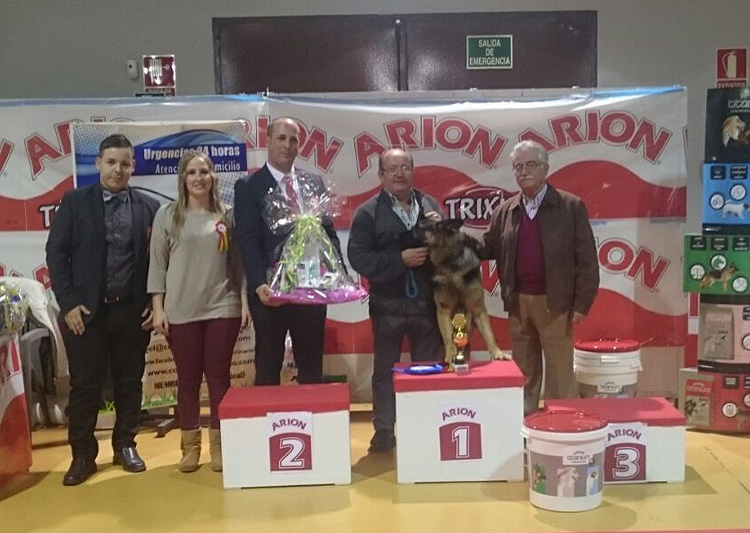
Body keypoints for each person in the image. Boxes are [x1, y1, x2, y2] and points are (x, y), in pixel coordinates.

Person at [46, 134, 160, 485]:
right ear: (98, 164)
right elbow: (56, 255)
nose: (118, 169)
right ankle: (82, 456)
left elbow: (158, 261)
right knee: (85, 386)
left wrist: (156, 303)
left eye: (125, 163)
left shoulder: (147, 207)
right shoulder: (76, 202)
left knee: (129, 383)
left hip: (131, 311)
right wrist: (68, 305)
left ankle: (125, 444)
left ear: (133, 166)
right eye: (111, 162)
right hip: (86, 314)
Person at [148, 152, 250, 473]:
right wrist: (158, 308)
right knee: (188, 381)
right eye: (191, 172)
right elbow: (157, 266)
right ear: (182, 178)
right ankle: (190, 447)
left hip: (224, 307)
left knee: (219, 379)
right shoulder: (167, 215)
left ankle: (220, 447)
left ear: (213, 176)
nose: (198, 177)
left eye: (203, 171)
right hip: (180, 311)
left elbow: (239, 265)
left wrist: (245, 301)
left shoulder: (227, 216)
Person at [483, 140, 599, 415]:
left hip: (556, 304)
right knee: (523, 369)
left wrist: (582, 304)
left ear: (546, 168)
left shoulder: (570, 206)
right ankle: (525, 424)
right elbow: (486, 248)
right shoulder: (506, 210)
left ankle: (563, 424)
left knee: (559, 371)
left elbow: (587, 261)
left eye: (530, 165)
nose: (523, 171)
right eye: (518, 167)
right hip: (518, 303)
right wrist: (449, 238)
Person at [234, 117, 343, 386]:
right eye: (281, 138)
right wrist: (259, 283)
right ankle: (268, 425)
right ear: (268, 141)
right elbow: (248, 239)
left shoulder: (313, 184)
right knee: (268, 364)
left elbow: (327, 233)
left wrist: (337, 271)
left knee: (311, 365)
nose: (287, 144)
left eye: (293, 139)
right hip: (270, 292)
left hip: (310, 289)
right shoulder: (249, 187)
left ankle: (312, 424)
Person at [347, 148, 444, 452]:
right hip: (387, 307)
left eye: (405, 167)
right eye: (392, 169)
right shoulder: (368, 212)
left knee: (429, 369)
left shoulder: (430, 206)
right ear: (381, 176)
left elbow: (447, 255)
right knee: (385, 371)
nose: (400, 173)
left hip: (427, 306)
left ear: (413, 172)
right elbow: (358, 257)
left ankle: (426, 423)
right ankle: (385, 429)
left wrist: (440, 232)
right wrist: (398, 259)